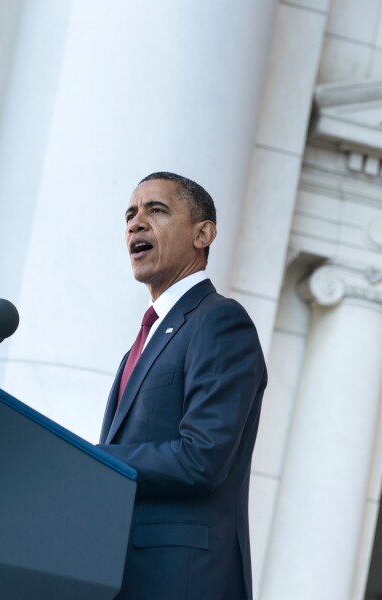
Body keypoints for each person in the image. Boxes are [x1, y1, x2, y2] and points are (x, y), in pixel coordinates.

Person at [97, 172, 267, 600]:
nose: (136, 223)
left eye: (156, 210)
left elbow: (202, 456)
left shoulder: (219, 320)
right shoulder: (143, 342)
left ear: (203, 233)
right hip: (124, 577)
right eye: (130, 215)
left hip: (183, 579)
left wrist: (93, 459)